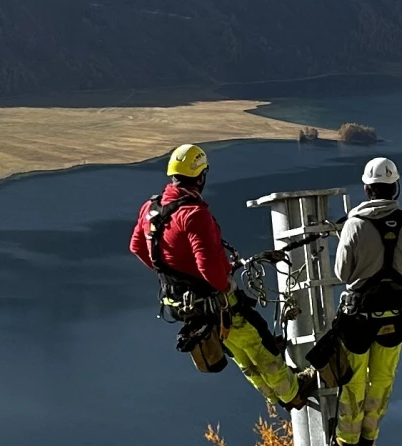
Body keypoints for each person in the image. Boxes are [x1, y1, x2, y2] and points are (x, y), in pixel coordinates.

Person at [129, 143, 310, 409]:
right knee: (258, 343)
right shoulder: (193, 214)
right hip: (213, 300)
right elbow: (209, 268)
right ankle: (292, 393)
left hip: (180, 303)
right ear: (201, 176)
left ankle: (274, 395)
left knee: (240, 353)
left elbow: (138, 247)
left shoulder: (150, 209)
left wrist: (172, 273)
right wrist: (224, 285)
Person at [315, 156, 402, 446]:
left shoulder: (354, 224)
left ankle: (346, 440)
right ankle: (368, 437)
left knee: (353, 380)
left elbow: (342, 274)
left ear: (367, 190)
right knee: (383, 379)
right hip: (396, 317)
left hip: (358, 319)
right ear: (396, 188)